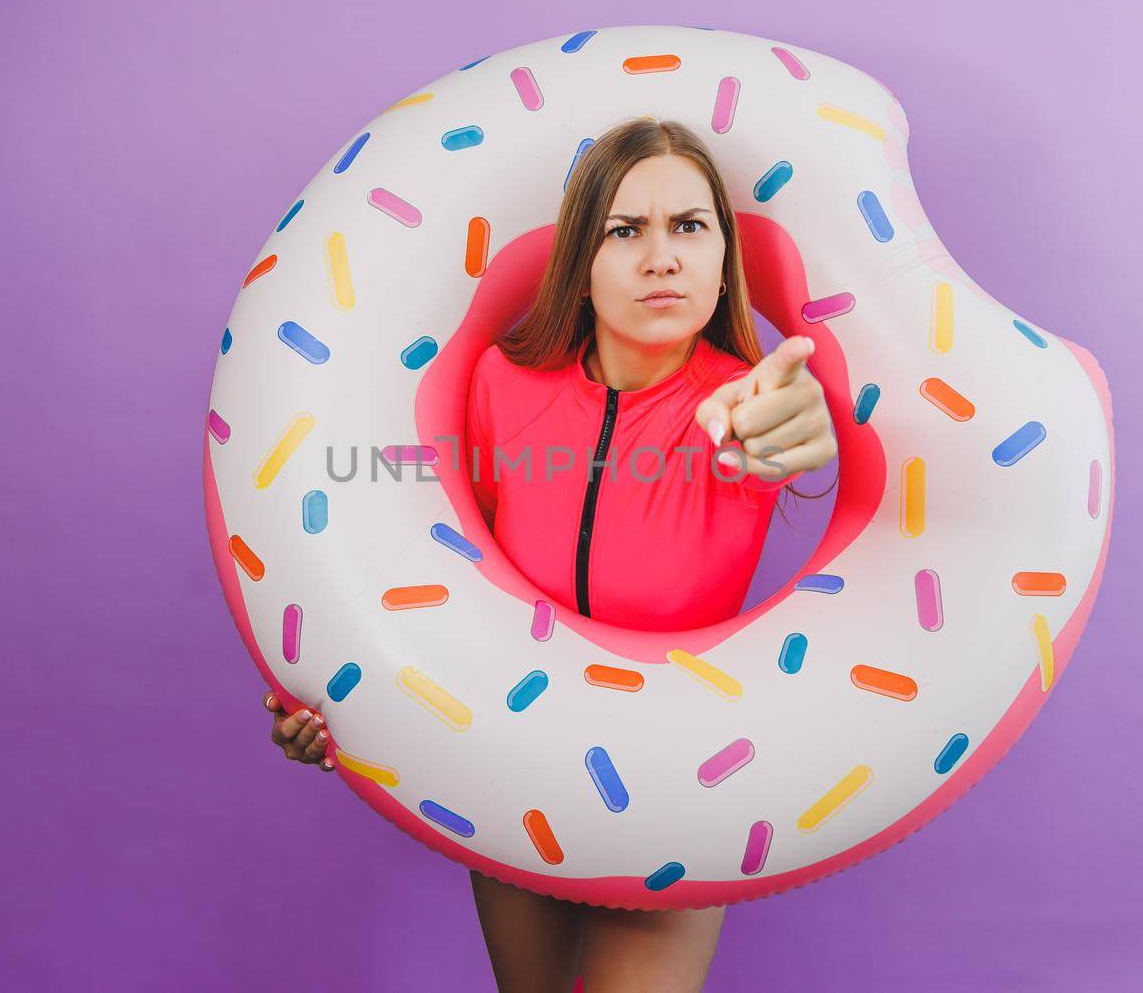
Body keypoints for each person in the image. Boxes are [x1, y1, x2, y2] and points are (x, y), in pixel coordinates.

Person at [265, 117, 838, 992]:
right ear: (583, 259)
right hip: (516, 759)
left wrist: (788, 425)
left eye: (690, 225)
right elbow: (421, 570)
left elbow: (774, 433)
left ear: (725, 256)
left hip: (673, 775)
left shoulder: (738, 401)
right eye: (625, 230)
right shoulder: (500, 384)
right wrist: (327, 694)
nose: (662, 256)